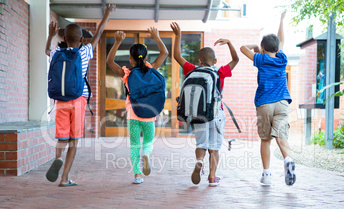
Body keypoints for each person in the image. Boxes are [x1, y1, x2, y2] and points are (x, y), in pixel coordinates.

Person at [45, 4, 116, 187]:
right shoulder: (84, 52)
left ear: (64, 38)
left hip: (60, 100)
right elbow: (98, 34)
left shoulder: (56, 53)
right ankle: (65, 178)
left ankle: (58, 157)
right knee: (74, 140)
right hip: (78, 100)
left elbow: (46, 51)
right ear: (82, 39)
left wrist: (51, 35)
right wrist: (107, 14)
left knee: (62, 136)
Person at [170, 22, 239, 187]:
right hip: (216, 114)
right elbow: (236, 59)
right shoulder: (220, 71)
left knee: (201, 144)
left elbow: (177, 57)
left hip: (198, 114)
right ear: (214, 60)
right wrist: (229, 43)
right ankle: (212, 177)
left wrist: (178, 35)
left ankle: (199, 160)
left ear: (199, 60)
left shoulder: (192, 69)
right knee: (214, 148)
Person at [240, 11, 296, 186]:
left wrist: (256, 47)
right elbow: (281, 40)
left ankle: (266, 175)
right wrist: (281, 20)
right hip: (282, 103)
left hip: (265, 103)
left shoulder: (261, 59)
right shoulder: (282, 58)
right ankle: (288, 160)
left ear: (263, 49)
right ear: (277, 49)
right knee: (281, 136)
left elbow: (243, 49)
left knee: (265, 140)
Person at [106, 28, 168, 184]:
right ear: (145, 57)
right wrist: (156, 37)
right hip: (149, 115)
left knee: (134, 146)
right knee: (147, 143)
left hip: (133, 115)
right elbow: (164, 53)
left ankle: (137, 175)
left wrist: (118, 41)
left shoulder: (127, 74)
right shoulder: (152, 69)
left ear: (130, 58)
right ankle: (146, 154)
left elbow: (109, 62)